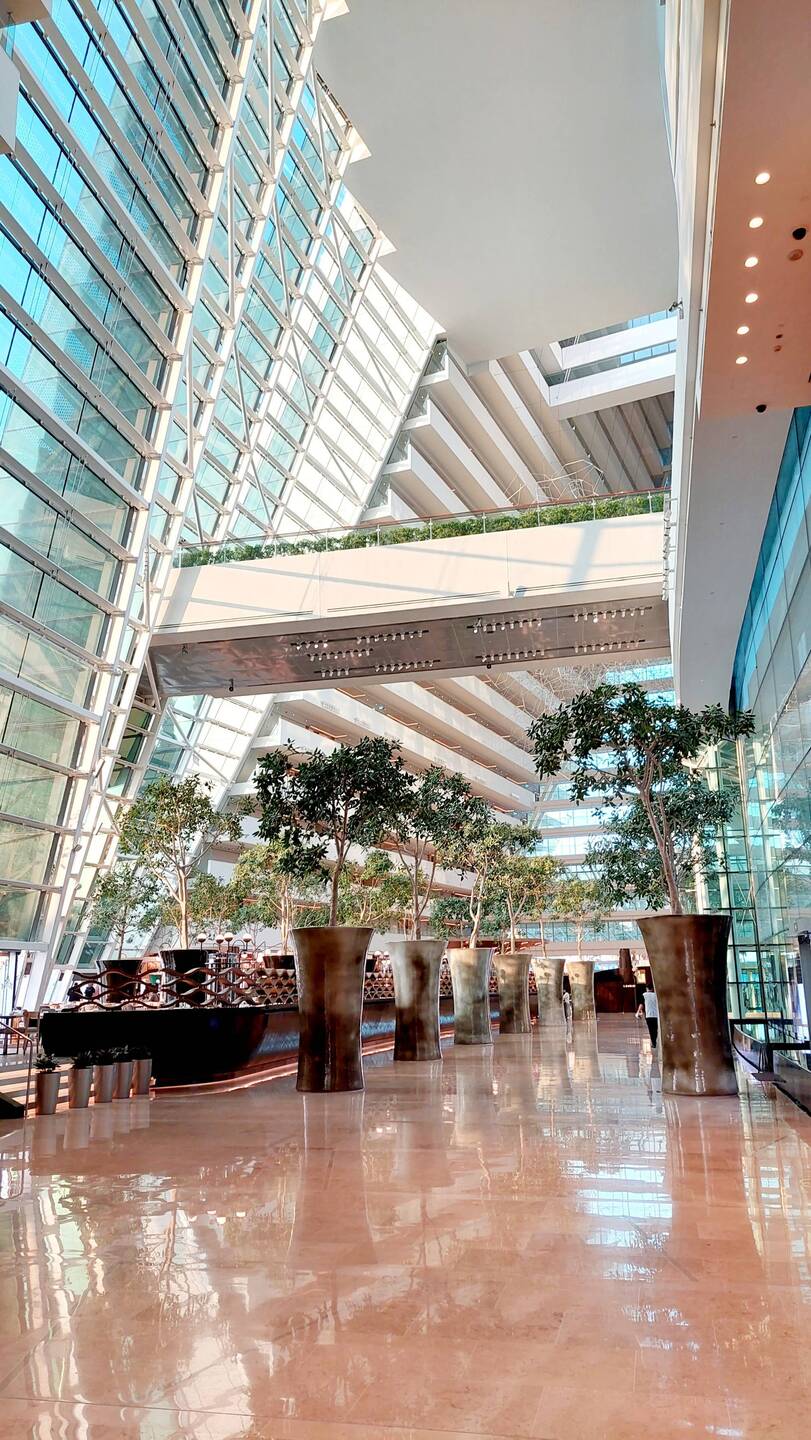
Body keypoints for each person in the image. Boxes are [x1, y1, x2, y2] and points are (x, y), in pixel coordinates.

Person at [637, 983, 659, 1048]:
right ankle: (654, 1040)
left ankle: (653, 1042)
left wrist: (638, 1011)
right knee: (655, 1029)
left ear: (647, 989)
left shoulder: (644, 995)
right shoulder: (656, 995)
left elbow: (641, 1004)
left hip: (648, 1015)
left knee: (651, 1029)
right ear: (652, 988)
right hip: (656, 1015)